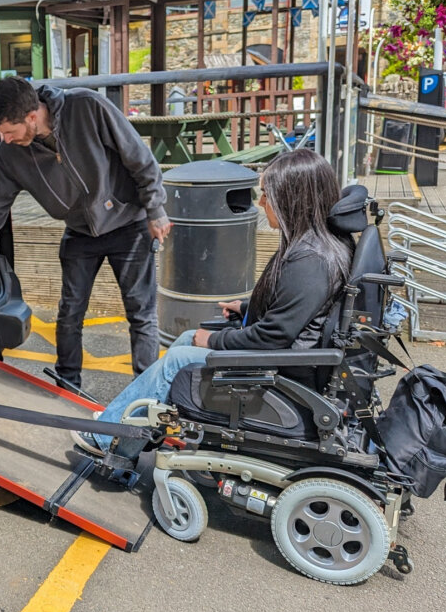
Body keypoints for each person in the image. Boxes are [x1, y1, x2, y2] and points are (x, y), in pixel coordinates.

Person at [72, 149, 355, 456]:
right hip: (285, 358)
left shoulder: (309, 261)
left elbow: (272, 337)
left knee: (176, 360)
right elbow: (294, 312)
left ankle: (106, 438)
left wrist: (215, 339)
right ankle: (124, 431)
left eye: (267, 195)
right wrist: (246, 308)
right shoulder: (317, 245)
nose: (261, 203)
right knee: (183, 340)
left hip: (279, 370)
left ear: (292, 199)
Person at [0, 76, 171, 389]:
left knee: (141, 314)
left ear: (32, 116)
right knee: (69, 314)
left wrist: (155, 210)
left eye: (9, 131)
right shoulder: (11, 155)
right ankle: (68, 386)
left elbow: (140, 159)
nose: (4, 140)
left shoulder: (88, 107)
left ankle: (146, 394)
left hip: (128, 222)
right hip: (79, 231)